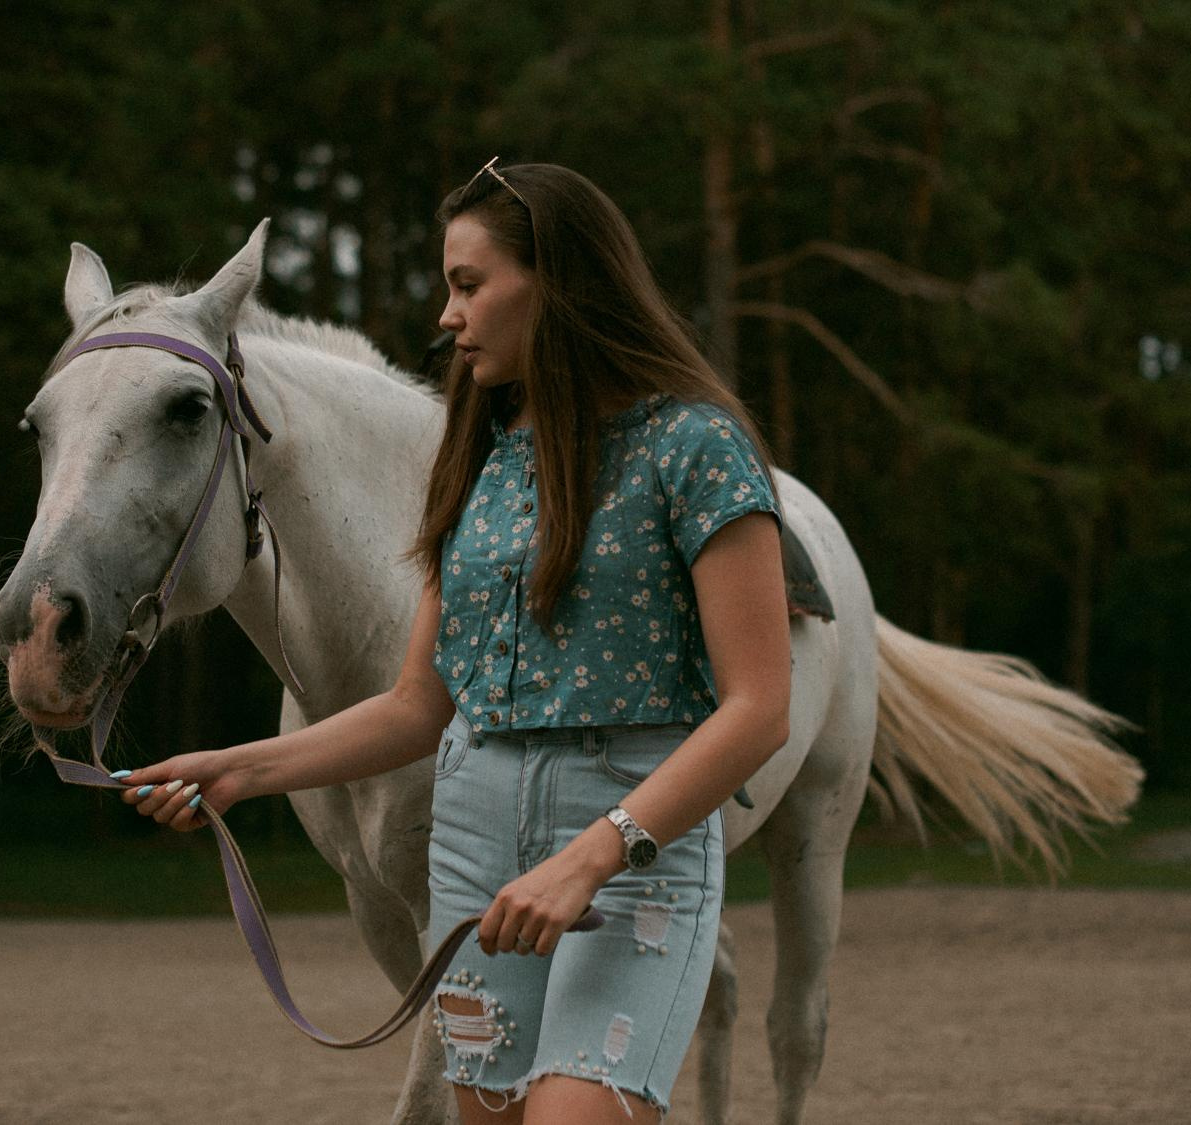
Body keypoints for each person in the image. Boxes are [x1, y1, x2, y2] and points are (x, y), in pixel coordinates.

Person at [118, 159, 791, 1123]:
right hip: (474, 852)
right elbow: (417, 706)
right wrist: (241, 769)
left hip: (631, 856)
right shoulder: (473, 458)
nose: (446, 315)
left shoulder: (699, 447)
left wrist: (593, 855)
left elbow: (761, 706)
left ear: (558, 279)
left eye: (468, 285)